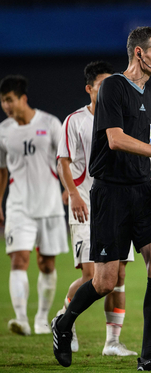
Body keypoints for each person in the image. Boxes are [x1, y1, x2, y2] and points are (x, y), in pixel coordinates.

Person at [51, 26, 151, 370]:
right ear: (140, 53)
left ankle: (148, 356)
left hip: (142, 190)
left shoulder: (148, 93)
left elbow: (139, 142)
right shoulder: (114, 87)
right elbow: (117, 140)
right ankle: (63, 323)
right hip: (110, 192)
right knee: (105, 281)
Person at [56, 61, 136, 356]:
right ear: (90, 89)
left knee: (119, 277)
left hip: (116, 206)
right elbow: (63, 160)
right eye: (102, 86)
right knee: (93, 276)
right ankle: (65, 322)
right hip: (86, 206)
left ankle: (112, 342)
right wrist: (73, 194)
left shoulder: (121, 119)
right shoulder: (74, 120)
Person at [0, 75, 68, 337]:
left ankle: (41, 317)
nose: (6, 105)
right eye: (3, 101)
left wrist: (68, 190)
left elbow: (65, 160)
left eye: (10, 100)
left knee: (47, 265)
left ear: (23, 99)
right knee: (19, 259)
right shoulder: (4, 131)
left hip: (49, 204)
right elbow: (2, 171)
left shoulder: (50, 123)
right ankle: (21, 319)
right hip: (19, 206)